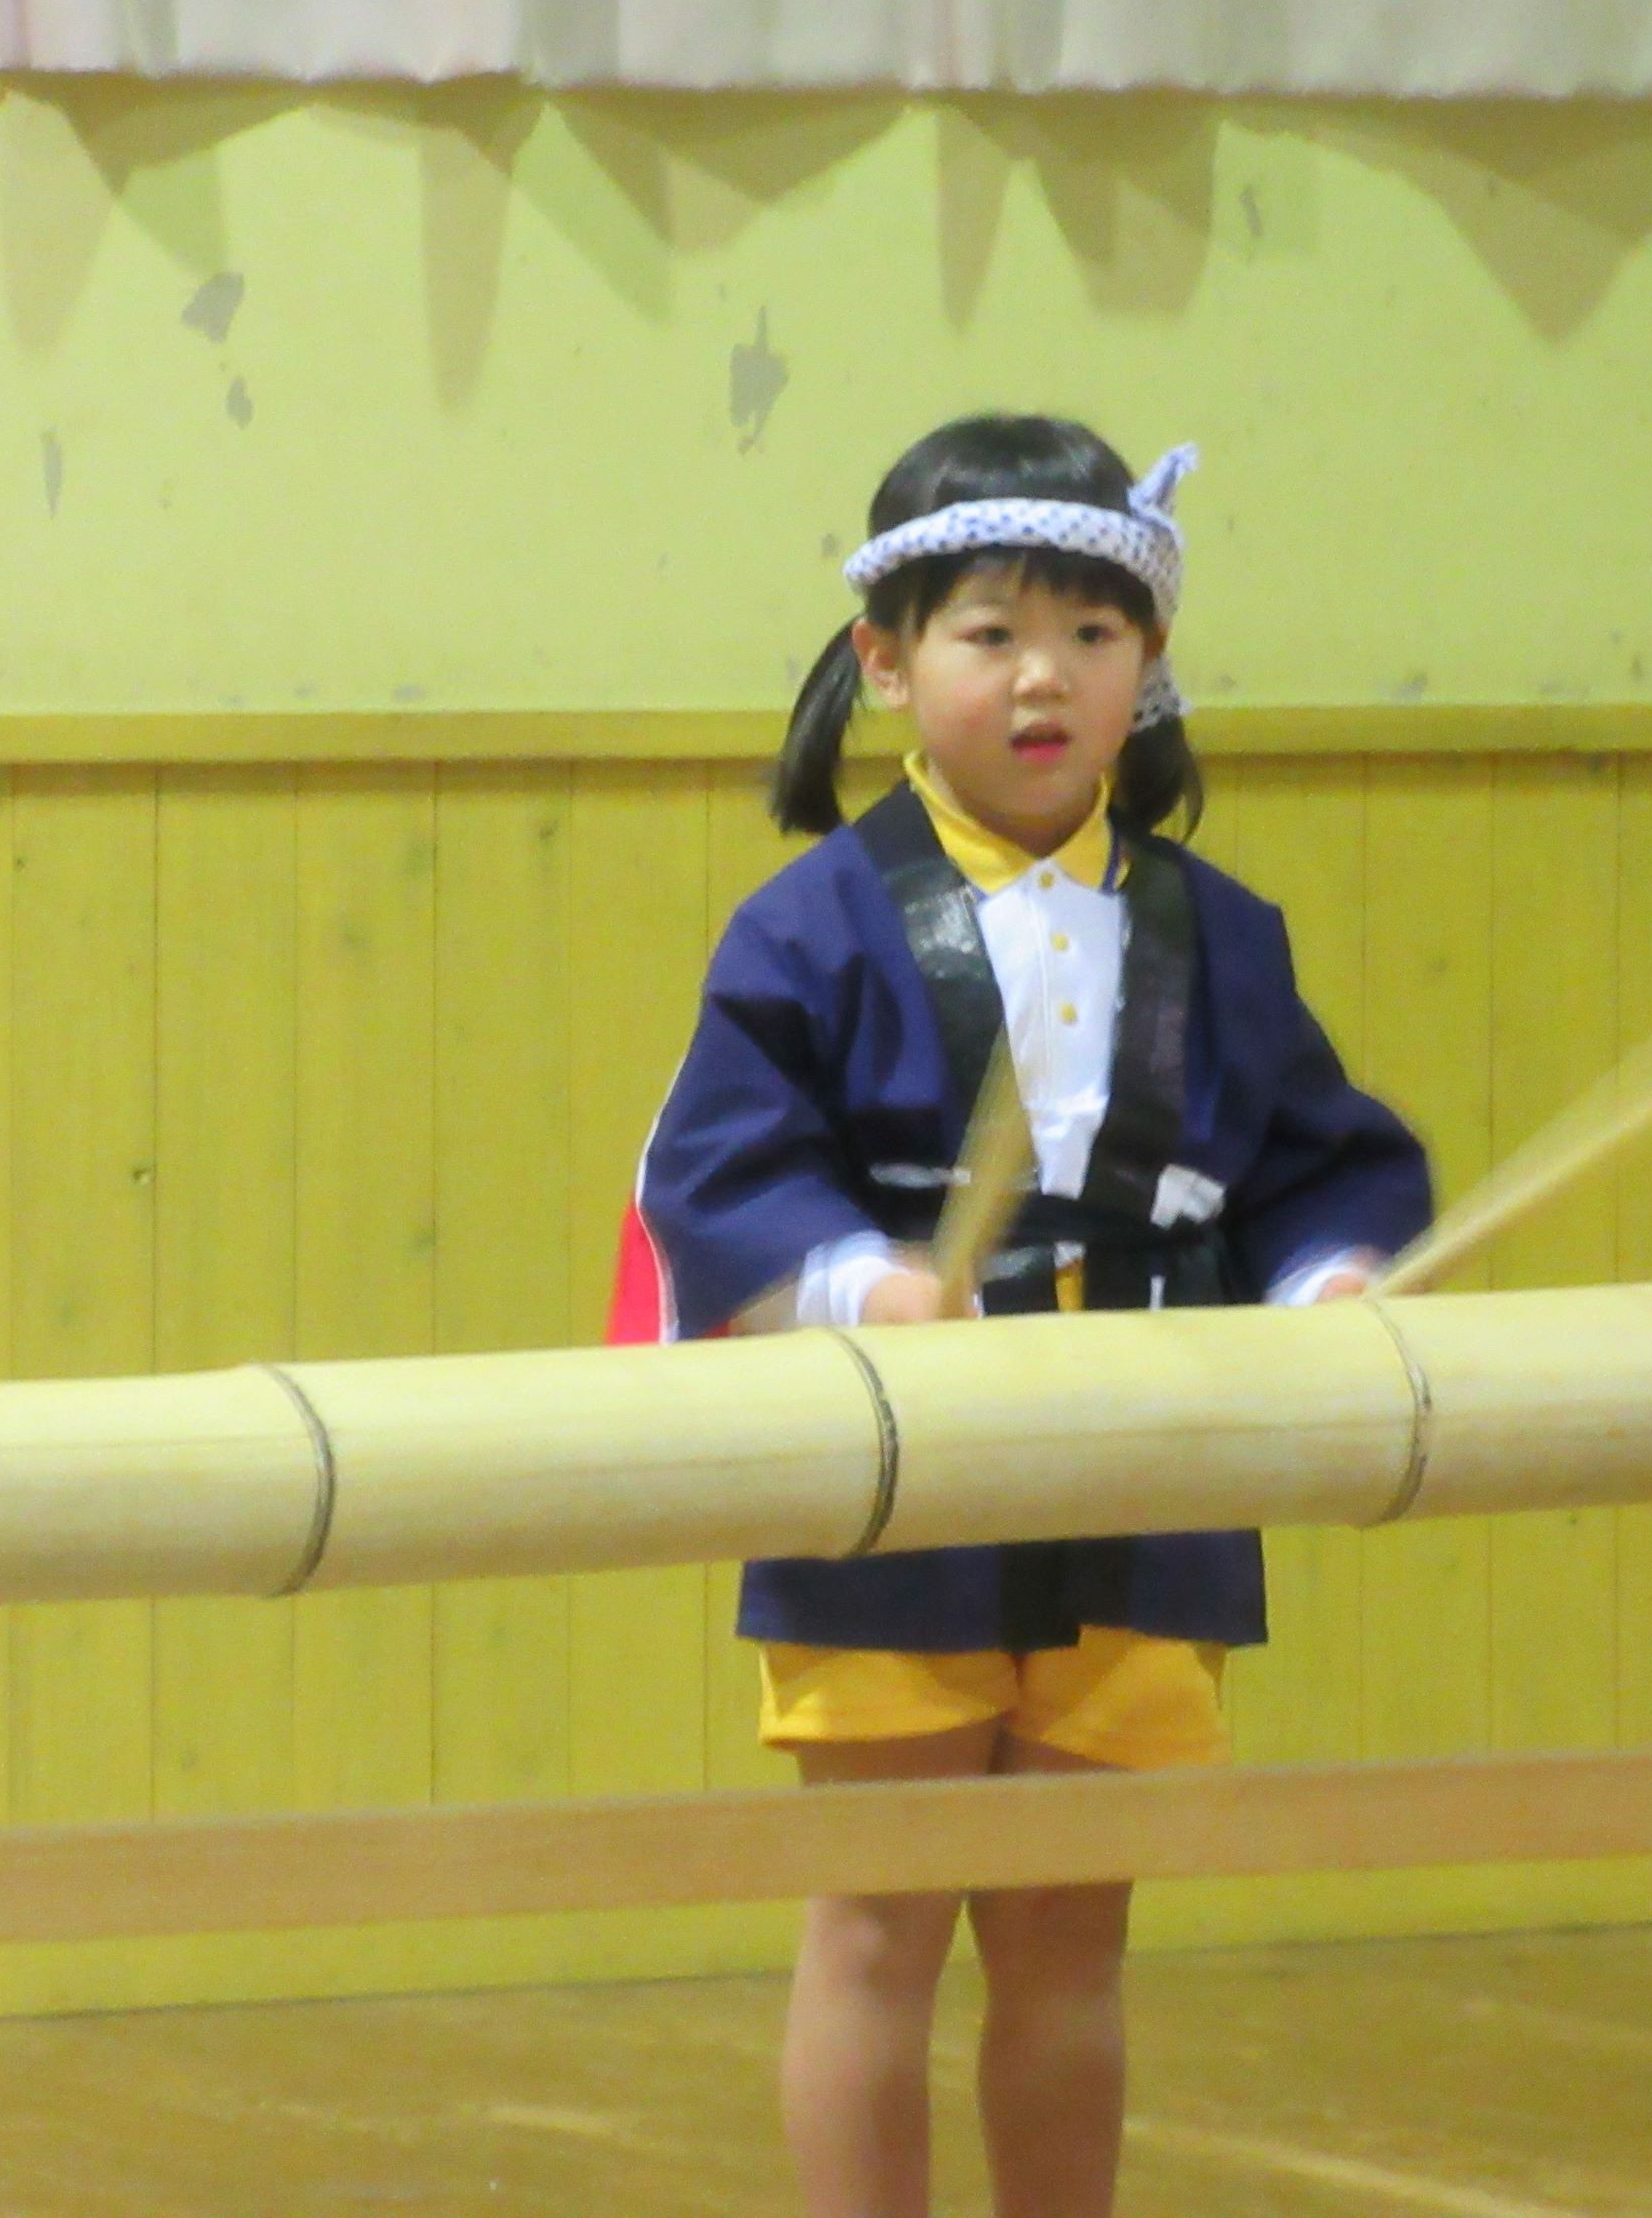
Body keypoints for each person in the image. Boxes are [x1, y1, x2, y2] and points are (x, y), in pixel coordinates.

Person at [613, 413, 1430, 2218]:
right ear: (886, 662)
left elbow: (1322, 1164)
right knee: (877, 1931)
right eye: (991, 633)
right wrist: (864, 1281)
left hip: (1146, 1463)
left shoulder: (1226, 934)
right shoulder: (809, 927)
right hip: (888, 1472)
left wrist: (1329, 1276)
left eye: (1091, 633)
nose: (1044, 675)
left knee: (1072, 1946)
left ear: (1150, 667)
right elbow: (720, 1175)